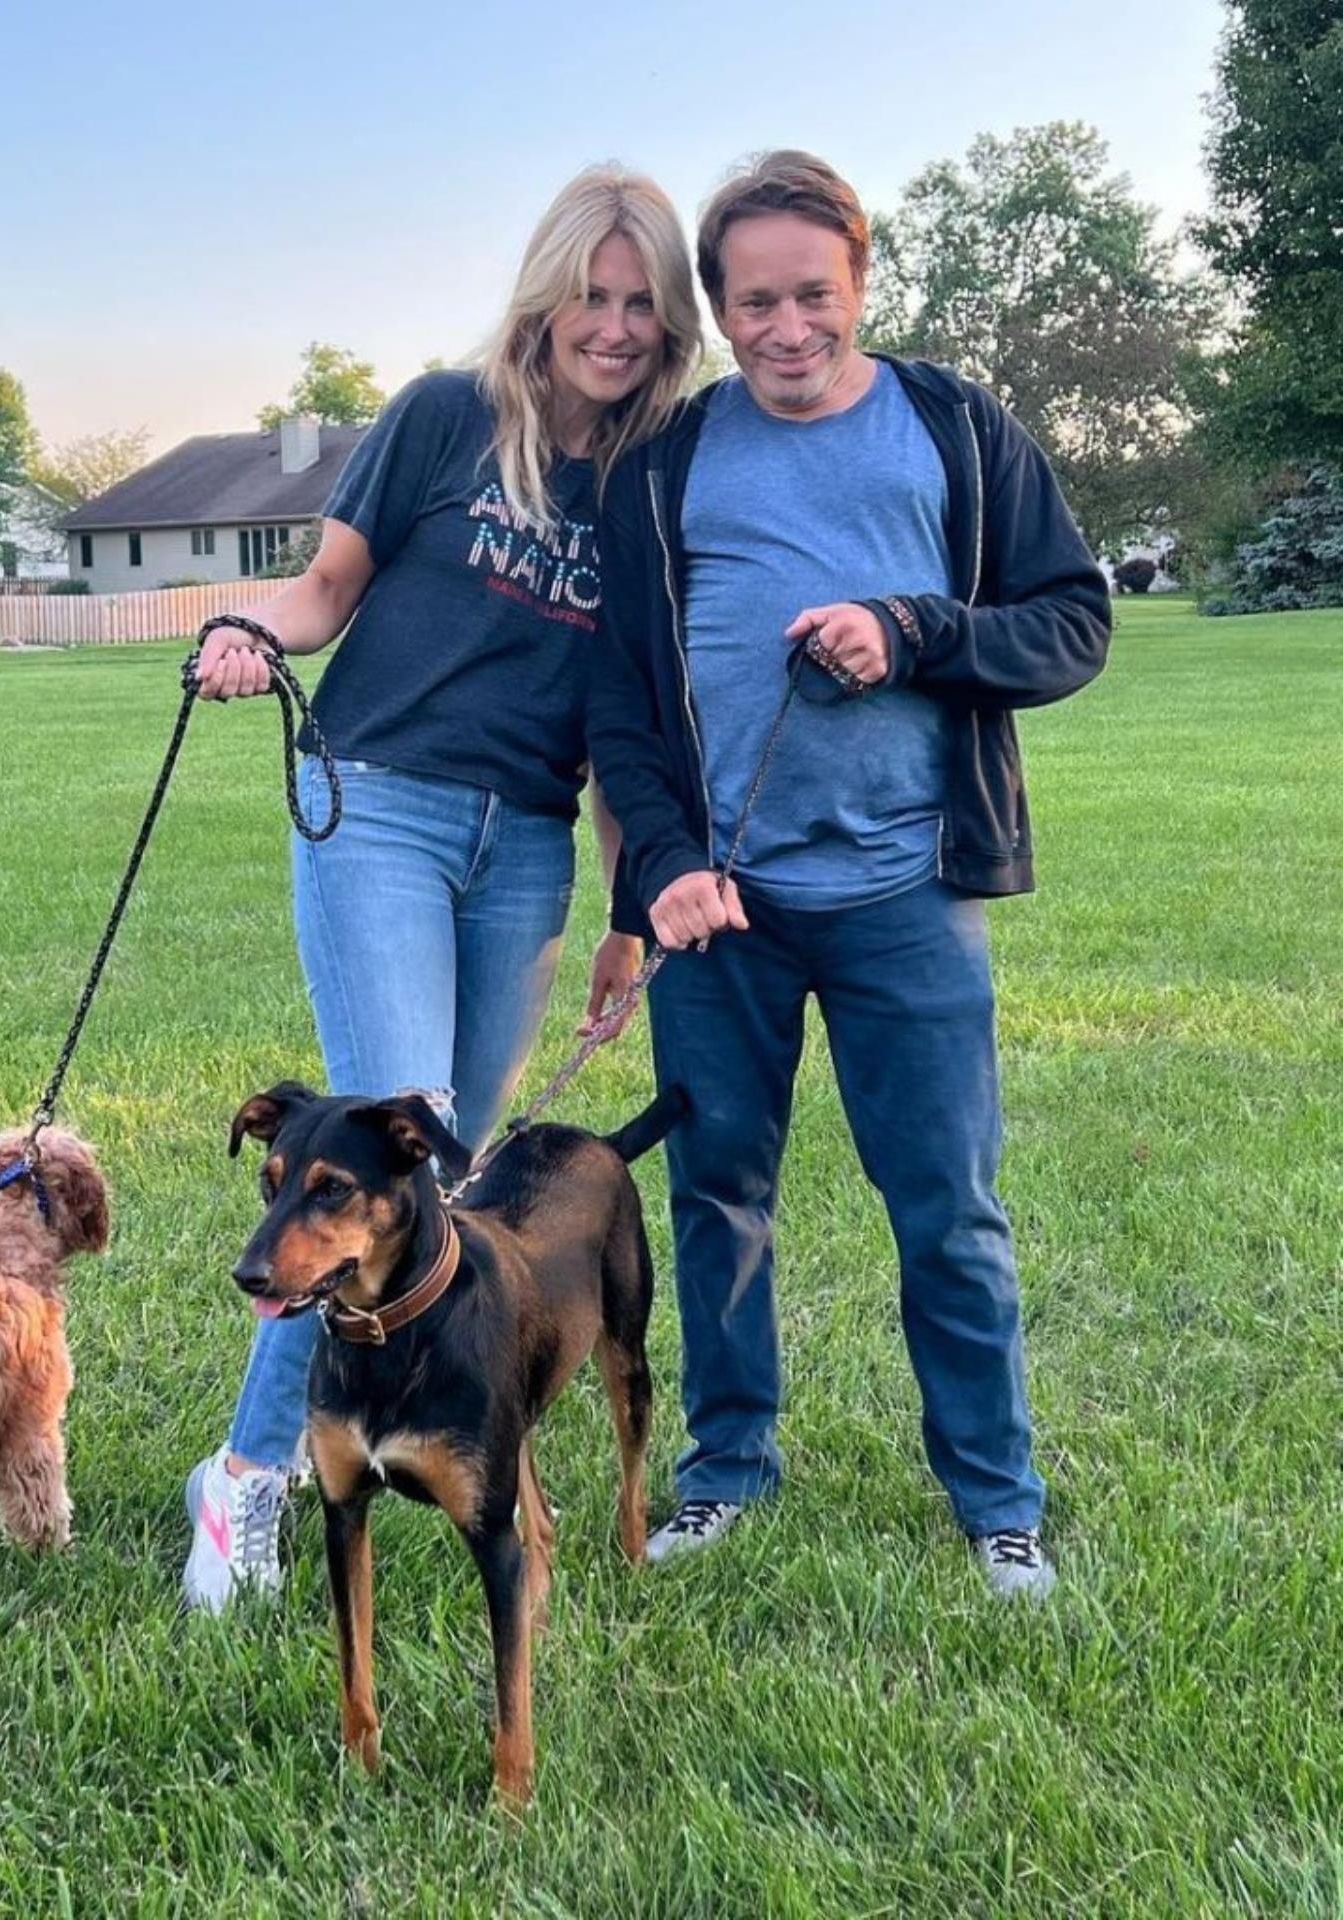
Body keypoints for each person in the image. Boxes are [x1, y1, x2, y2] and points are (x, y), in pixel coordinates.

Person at [588, 151, 1111, 1599]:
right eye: (754, 302)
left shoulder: (953, 425)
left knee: (948, 1205)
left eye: (813, 295)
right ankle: (728, 1467)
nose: (787, 328)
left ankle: (997, 1498)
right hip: (727, 914)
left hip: (907, 895)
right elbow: (624, 706)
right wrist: (668, 872)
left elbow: (1071, 622)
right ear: (720, 307)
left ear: (861, 283)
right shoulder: (668, 466)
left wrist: (914, 631)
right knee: (719, 1200)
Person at [180, 164, 702, 1612]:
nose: (610, 327)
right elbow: (325, 590)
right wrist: (247, 627)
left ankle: (439, 1445)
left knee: (455, 1174)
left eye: (640, 304)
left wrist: (616, 914)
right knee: (386, 1148)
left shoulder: (646, 480)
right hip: (381, 807)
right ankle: (245, 1481)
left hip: (526, 842)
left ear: (671, 323)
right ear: (545, 291)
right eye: (589, 295)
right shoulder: (439, 417)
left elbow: (619, 720)